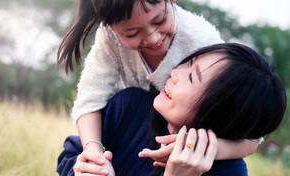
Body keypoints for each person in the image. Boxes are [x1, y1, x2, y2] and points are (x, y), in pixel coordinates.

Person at [56, 0, 258, 168]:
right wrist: (96, 155)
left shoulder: (203, 42)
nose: (152, 38)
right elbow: (90, 99)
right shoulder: (110, 42)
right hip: (135, 126)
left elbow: (251, 135)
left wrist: (203, 147)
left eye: (159, 20)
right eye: (131, 32)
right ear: (111, 27)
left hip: (189, 143)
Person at [58, 43, 287, 176]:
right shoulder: (130, 106)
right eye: (188, 62)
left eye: (191, 77)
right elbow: (69, 156)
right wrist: (83, 170)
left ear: (221, 112)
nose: (174, 73)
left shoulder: (229, 171)